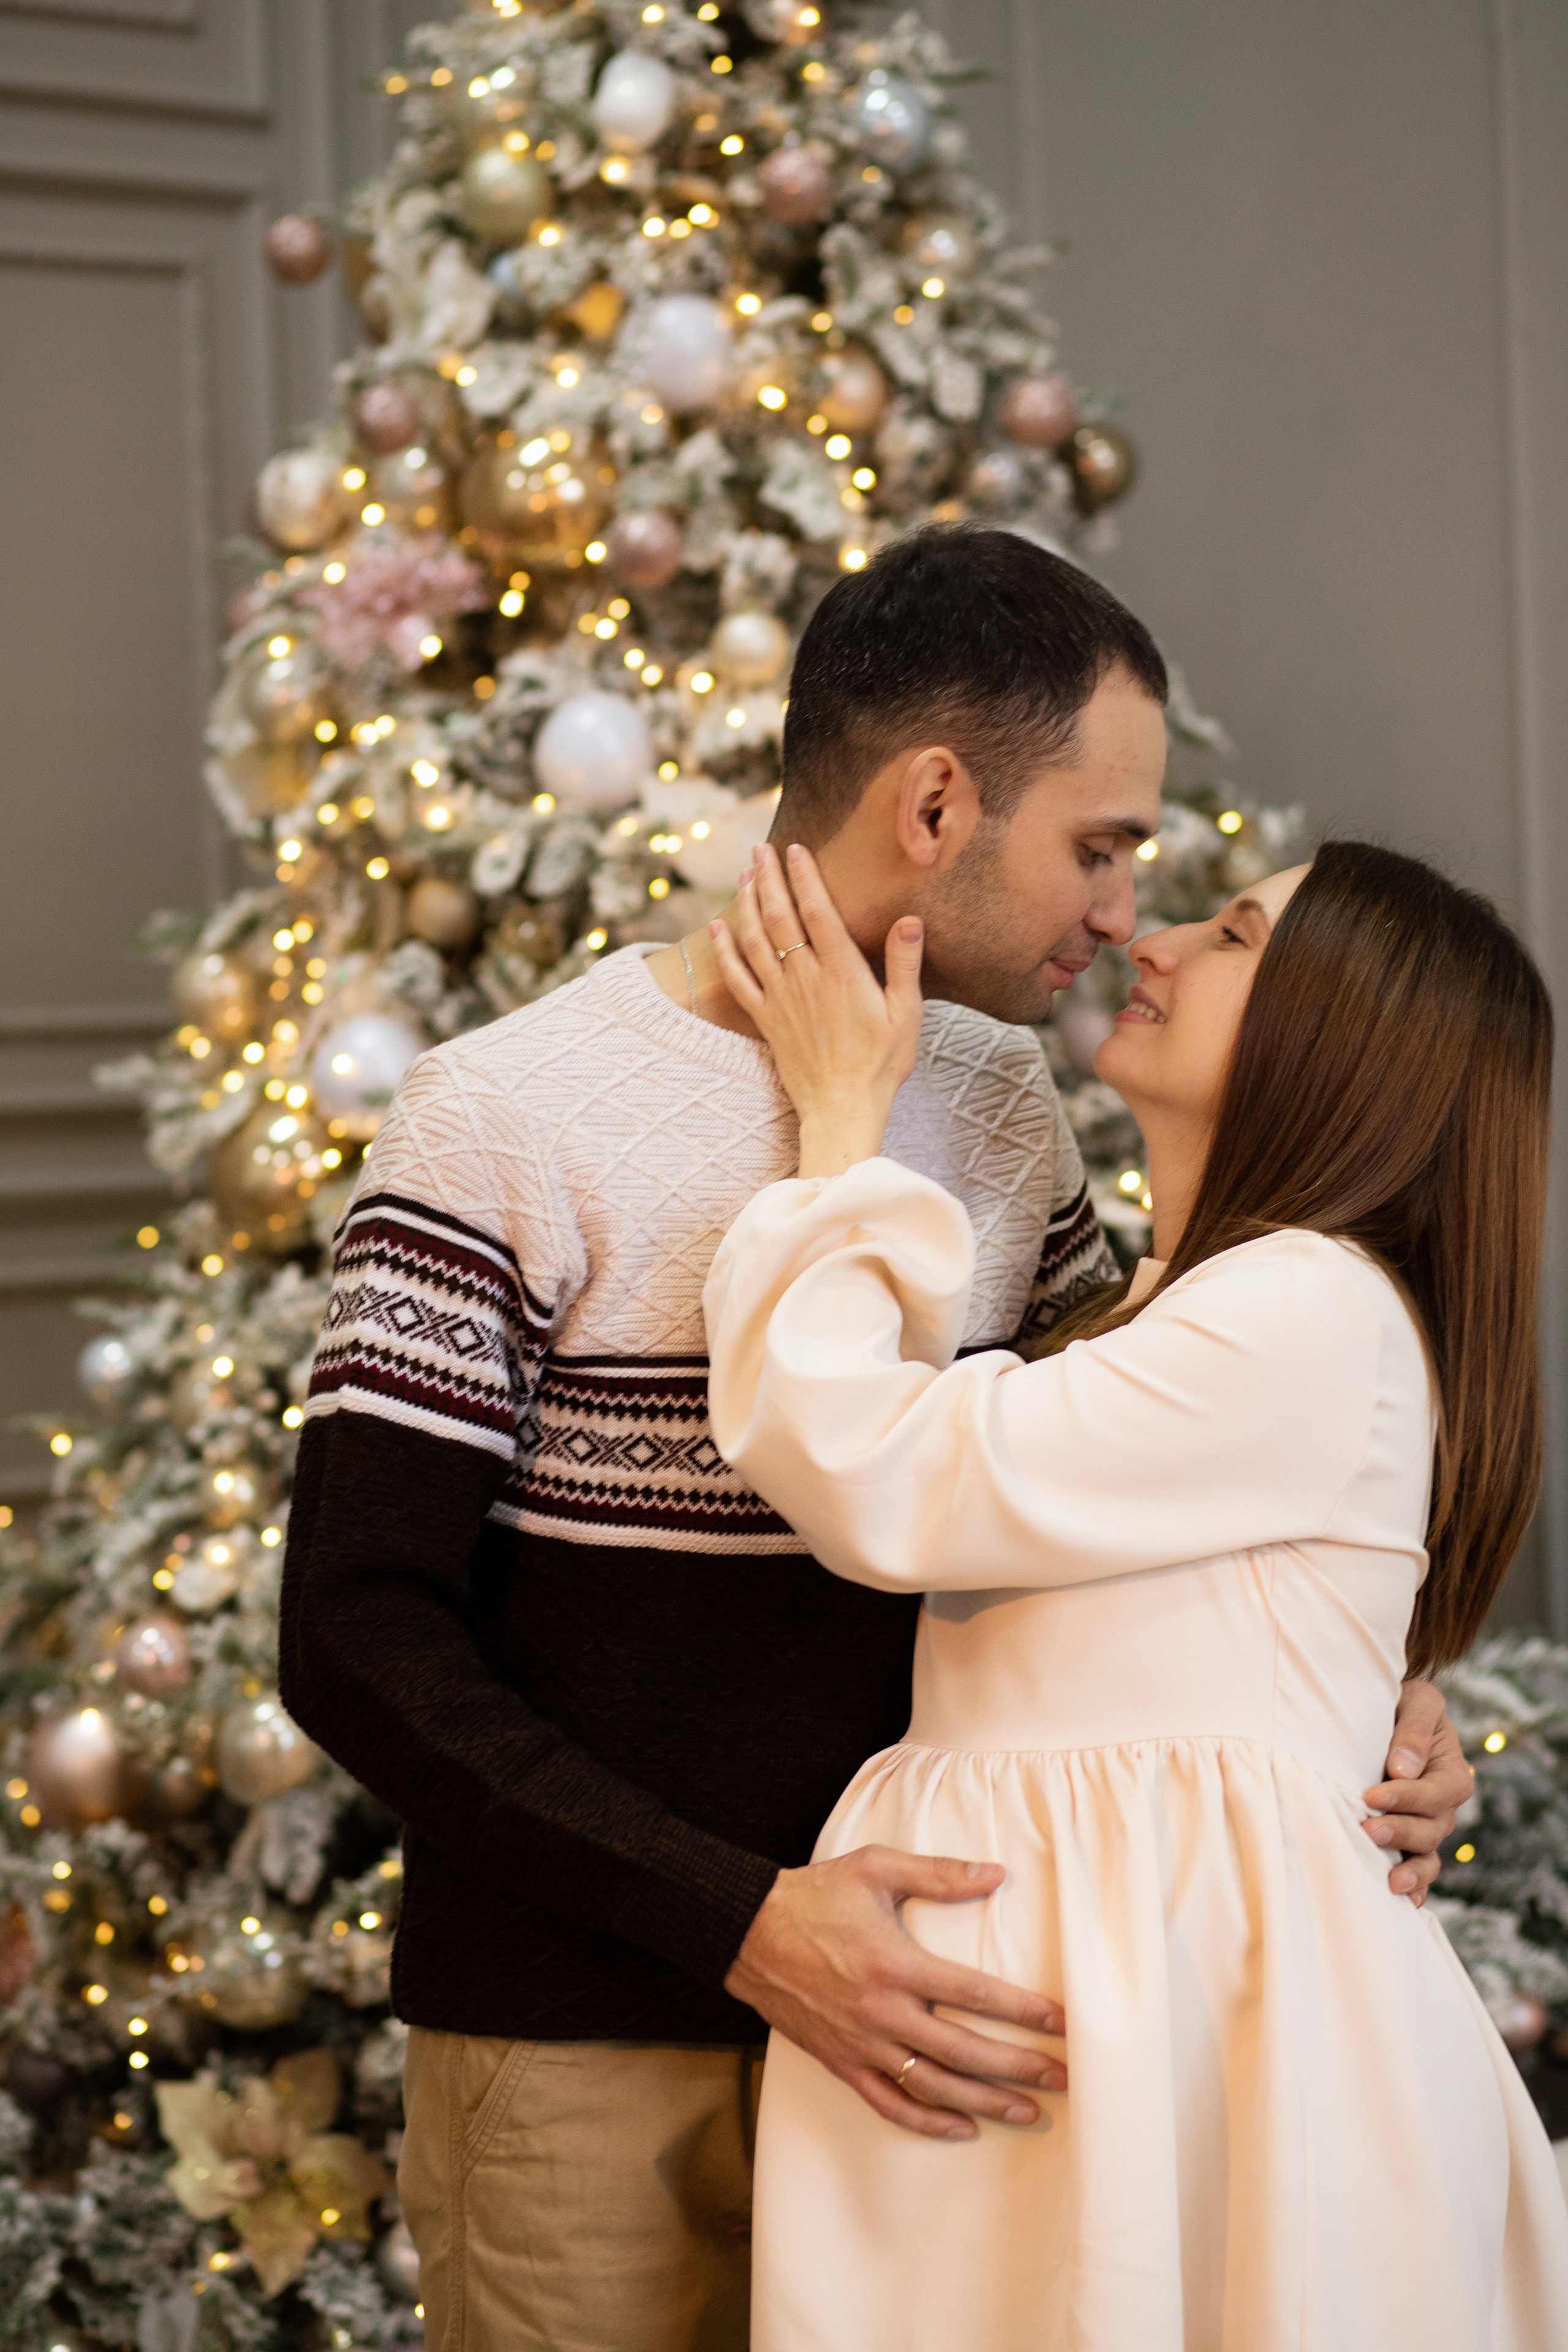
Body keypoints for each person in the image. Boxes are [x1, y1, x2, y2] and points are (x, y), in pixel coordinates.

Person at [279, 527, 1469, 2352]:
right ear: (934, 806)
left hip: (948, 2059)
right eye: (1102, 842)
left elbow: (1123, 1481)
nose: (1122, 909)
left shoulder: (1008, 1112)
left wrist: (1370, 1696)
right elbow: (355, 1637)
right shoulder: (499, 1116)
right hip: (590, 2042)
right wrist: (743, 1921)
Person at [702, 834, 1568, 2350]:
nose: (1150, 941)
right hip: (1062, 2039)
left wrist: (844, 1132)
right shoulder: (1178, 1308)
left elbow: (888, 1476)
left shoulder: (1300, 1303)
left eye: (1229, 934)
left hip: (1177, 2041)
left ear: (1340, 1041)